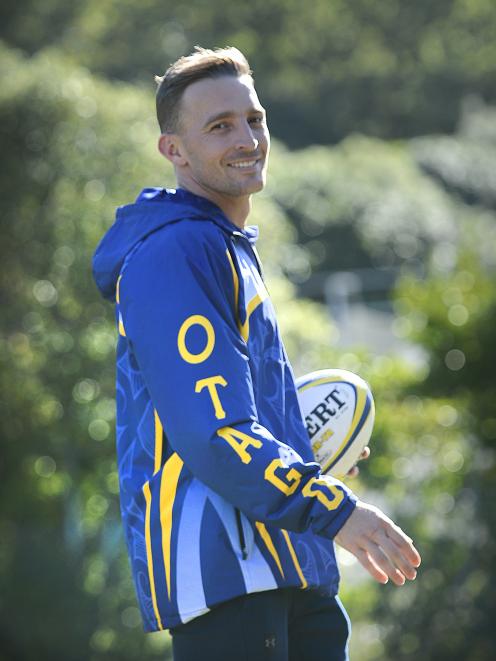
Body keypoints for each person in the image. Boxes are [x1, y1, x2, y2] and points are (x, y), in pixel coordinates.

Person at [92, 46, 421, 660]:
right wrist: (330, 507)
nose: (247, 138)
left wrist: (308, 457)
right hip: (228, 574)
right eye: (219, 126)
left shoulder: (225, 243)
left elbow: (241, 418)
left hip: (287, 562)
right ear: (175, 150)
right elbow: (216, 431)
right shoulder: (177, 251)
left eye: (254, 118)